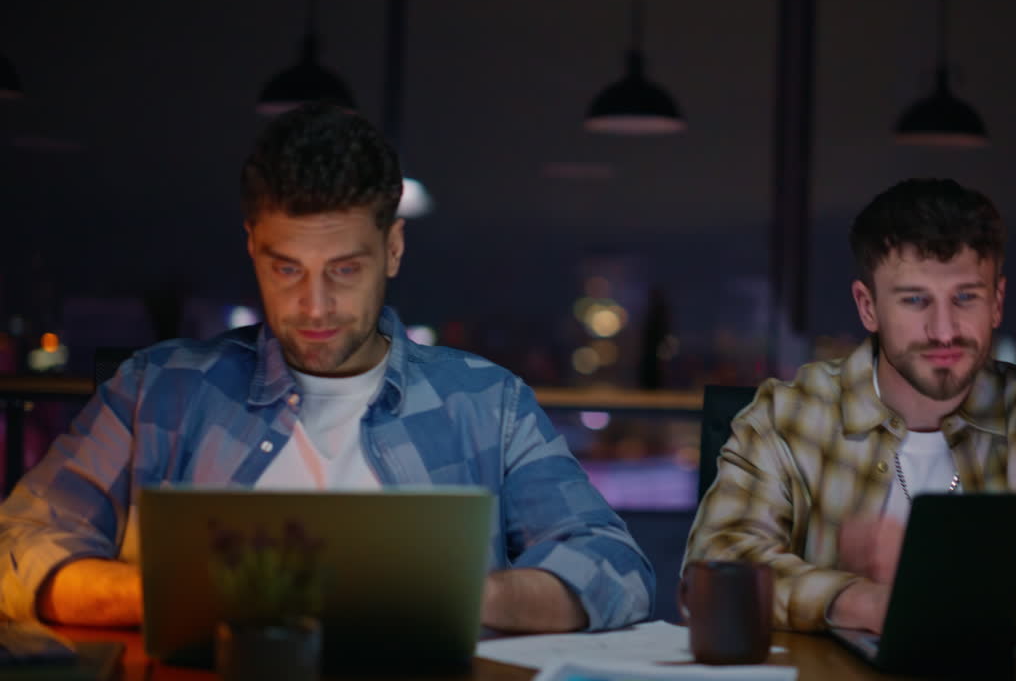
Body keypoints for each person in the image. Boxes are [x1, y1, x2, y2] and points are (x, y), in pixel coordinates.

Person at [0, 103, 655, 633]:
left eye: (344, 270)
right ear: (252, 246)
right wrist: (199, 598)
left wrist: (454, 595)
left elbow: (616, 568)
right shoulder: (156, 391)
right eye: (286, 268)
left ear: (392, 248)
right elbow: (16, 545)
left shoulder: (488, 403)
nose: (314, 306)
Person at [683, 178, 1016, 634]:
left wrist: (946, 588)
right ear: (868, 307)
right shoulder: (787, 418)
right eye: (916, 300)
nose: (943, 331)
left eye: (966, 297)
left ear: (997, 302)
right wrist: (863, 600)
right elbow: (710, 571)